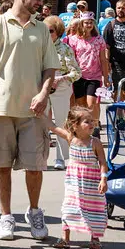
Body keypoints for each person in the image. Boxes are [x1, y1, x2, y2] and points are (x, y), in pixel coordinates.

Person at [0, 0, 59, 241]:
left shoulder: (41, 28)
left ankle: (34, 211)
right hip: (0, 107)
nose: (41, 3)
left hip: (33, 111)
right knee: (2, 166)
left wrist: (43, 93)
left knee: (35, 167)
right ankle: (6, 217)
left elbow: (50, 67)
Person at [51, 107, 109, 249]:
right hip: (74, 184)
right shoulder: (71, 138)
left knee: (94, 210)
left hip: (92, 185)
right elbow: (53, 128)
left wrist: (103, 179)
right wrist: (41, 115)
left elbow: (103, 162)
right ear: (75, 125)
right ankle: (65, 238)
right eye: (87, 121)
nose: (91, 124)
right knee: (69, 208)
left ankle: (95, 239)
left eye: (92, 121)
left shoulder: (95, 142)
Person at [44, 15, 81, 170]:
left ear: (58, 31)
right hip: (42, 87)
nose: (48, 34)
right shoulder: (39, 47)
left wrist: (61, 78)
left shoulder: (66, 49)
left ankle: (60, 158)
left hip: (61, 88)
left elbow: (77, 72)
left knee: (61, 123)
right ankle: (41, 157)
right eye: (45, 31)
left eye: (51, 31)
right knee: (41, 123)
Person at [66, 12, 108, 120]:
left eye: (91, 22)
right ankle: (84, 125)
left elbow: (103, 59)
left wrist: (106, 77)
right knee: (80, 104)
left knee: (91, 103)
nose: (89, 25)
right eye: (86, 23)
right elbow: (72, 58)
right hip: (79, 76)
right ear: (81, 24)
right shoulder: (74, 40)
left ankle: (95, 125)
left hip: (94, 76)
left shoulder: (99, 39)